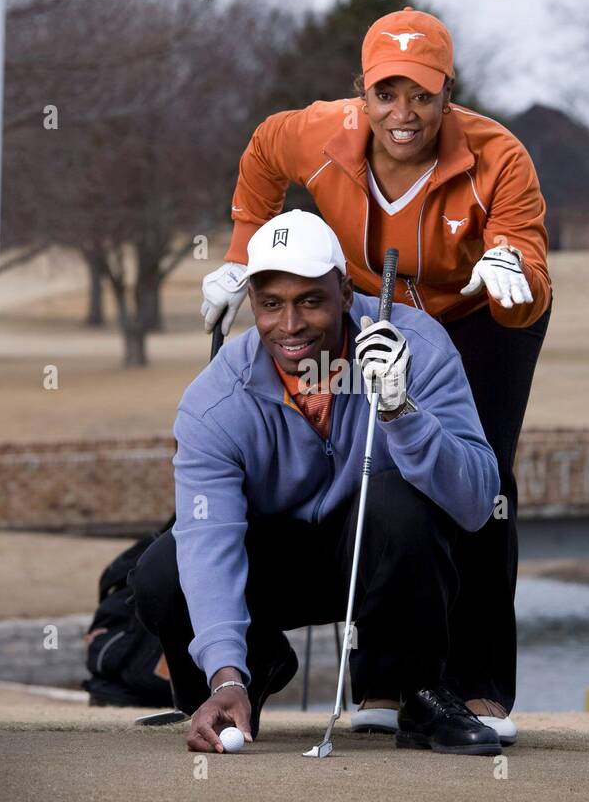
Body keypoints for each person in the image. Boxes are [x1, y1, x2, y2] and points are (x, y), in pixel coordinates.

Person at [199, 7, 552, 743]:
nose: (404, 113)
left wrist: (510, 274)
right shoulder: (317, 133)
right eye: (387, 93)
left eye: (422, 94)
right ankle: (386, 683)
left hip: (477, 312)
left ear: (448, 93)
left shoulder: (500, 156)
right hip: (362, 305)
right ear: (360, 90)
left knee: (480, 477)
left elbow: (530, 284)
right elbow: (264, 151)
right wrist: (241, 253)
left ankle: (476, 685)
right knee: (379, 469)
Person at [131, 210, 503, 756]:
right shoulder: (213, 403)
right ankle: (243, 676)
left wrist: (403, 413)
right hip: (274, 568)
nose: (290, 325)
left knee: (401, 498)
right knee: (161, 571)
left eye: (310, 300)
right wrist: (226, 673)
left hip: (379, 559)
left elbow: (475, 501)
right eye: (270, 304)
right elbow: (209, 543)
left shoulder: (418, 345)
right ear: (252, 304)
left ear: (346, 292)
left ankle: (422, 694)